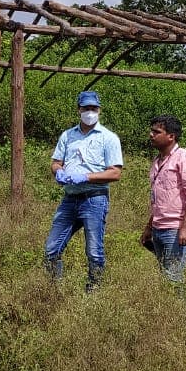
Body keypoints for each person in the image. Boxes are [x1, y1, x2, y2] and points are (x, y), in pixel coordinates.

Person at [44, 91, 123, 291]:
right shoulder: (68, 135)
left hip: (94, 199)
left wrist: (86, 177)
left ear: (99, 110)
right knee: (52, 248)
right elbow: (55, 162)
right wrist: (59, 172)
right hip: (69, 198)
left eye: (93, 108)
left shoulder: (108, 138)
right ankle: (53, 289)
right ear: (79, 110)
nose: (90, 112)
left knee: (94, 250)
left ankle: (94, 290)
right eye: (86, 108)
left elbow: (115, 173)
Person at [140, 115, 186, 285]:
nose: (151, 135)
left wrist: (185, 228)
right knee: (164, 275)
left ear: (171, 136)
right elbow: (158, 200)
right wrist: (149, 227)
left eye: (157, 132)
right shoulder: (157, 161)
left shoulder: (185, 158)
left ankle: (180, 310)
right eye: (151, 131)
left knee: (173, 276)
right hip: (159, 227)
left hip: (175, 229)